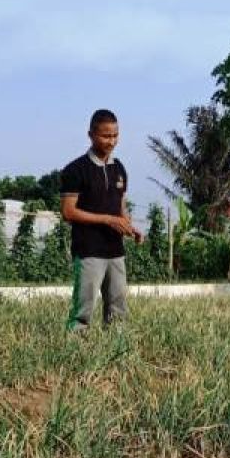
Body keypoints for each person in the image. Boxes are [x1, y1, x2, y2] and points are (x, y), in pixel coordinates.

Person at [60, 108, 143, 331]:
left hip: (115, 250)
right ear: (91, 135)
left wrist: (129, 226)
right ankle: (76, 348)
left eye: (115, 135)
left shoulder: (119, 168)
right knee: (83, 310)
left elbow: (120, 206)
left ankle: (115, 349)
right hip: (88, 250)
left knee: (118, 309)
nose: (111, 141)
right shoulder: (75, 170)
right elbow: (68, 212)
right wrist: (107, 220)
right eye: (106, 135)